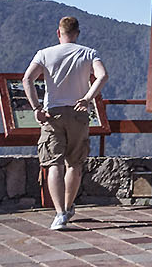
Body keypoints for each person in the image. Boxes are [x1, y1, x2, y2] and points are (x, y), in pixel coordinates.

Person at [22, 16, 108, 229]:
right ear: (77, 33)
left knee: (54, 163)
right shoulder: (89, 53)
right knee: (75, 164)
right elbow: (102, 76)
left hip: (52, 114)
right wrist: (88, 97)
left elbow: (27, 79)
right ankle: (69, 207)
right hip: (79, 112)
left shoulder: (44, 54)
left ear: (58, 33)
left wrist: (36, 108)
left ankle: (59, 213)